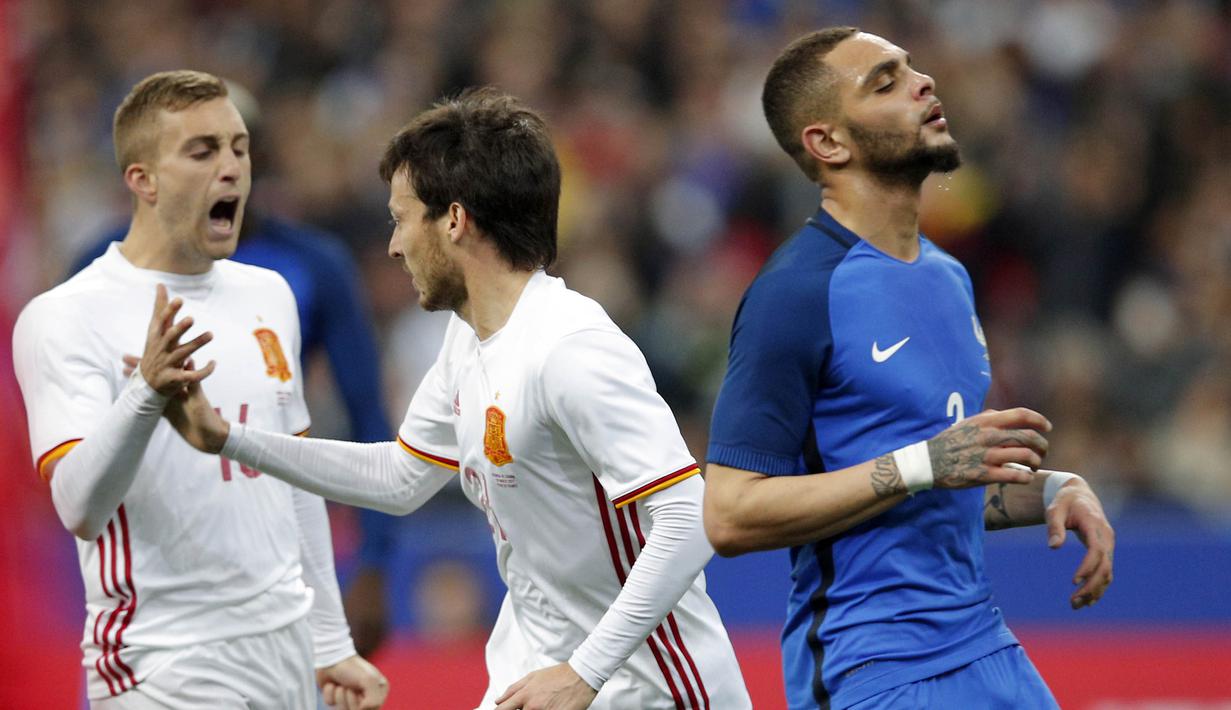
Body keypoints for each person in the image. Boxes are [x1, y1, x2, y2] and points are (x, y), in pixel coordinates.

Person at [162, 87, 752, 710]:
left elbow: (689, 518)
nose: (393, 246)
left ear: (453, 220)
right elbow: (401, 475)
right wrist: (227, 438)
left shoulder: (570, 349)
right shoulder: (468, 338)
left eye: (401, 218)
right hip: (537, 670)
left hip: (649, 687)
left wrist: (584, 671)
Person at [703, 28, 1116, 710]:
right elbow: (728, 513)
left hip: (985, 644)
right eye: (885, 82)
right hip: (872, 667)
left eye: (912, 68)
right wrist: (922, 463)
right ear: (827, 143)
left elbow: (937, 486)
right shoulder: (795, 294)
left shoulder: (948, 275)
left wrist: (1050, 491)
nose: (923, 82)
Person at [12, 70, 387, 709]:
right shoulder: (66, 315)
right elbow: (78, 507)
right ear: (143, 180)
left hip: (285, 655)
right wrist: (144, 395)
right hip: (161, 665)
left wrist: (331, 641)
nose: (232, 168)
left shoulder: (269, 295)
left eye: (239, 148)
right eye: (203, 151)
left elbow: (295, 479)